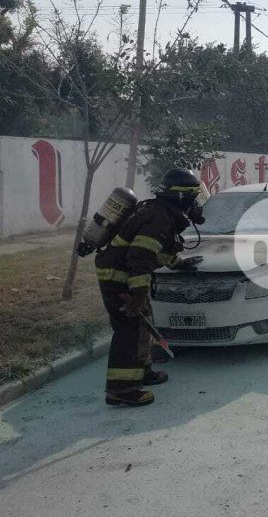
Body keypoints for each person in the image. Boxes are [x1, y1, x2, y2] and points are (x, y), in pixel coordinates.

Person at [95, 168, 205, 407]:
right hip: (119, 278)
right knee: (129, 332)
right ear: (182, 197)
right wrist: (137, 296)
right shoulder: (159, 218)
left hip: (124, 275)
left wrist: (179, 264)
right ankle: (121, 389)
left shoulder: (159, 211)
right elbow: (139, 258)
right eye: (194, 197)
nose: (196, 204)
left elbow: (155, 251)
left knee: (143, 328)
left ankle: (141, 372)